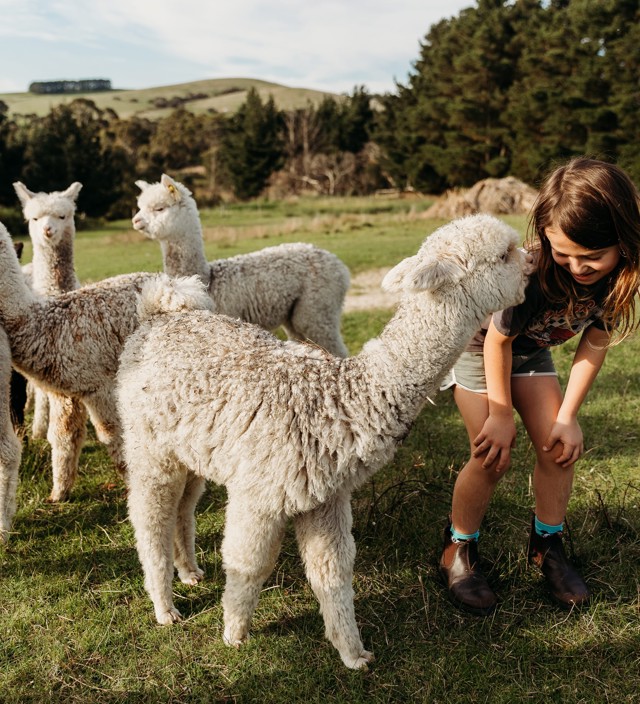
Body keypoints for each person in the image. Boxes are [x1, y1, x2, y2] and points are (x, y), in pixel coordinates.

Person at [439, 157, 640, 614]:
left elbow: (595, 341)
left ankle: (547, 546)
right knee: (491, 455)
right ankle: (458, 549)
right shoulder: (529, 271)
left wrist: (568, 417)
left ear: (624, 240)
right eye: (564, 252)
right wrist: (500, 413)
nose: (577, 266)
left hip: (530, 353)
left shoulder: (623, 276)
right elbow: (497, 340)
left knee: (557, 447)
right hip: (478, 350)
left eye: (592, 257)